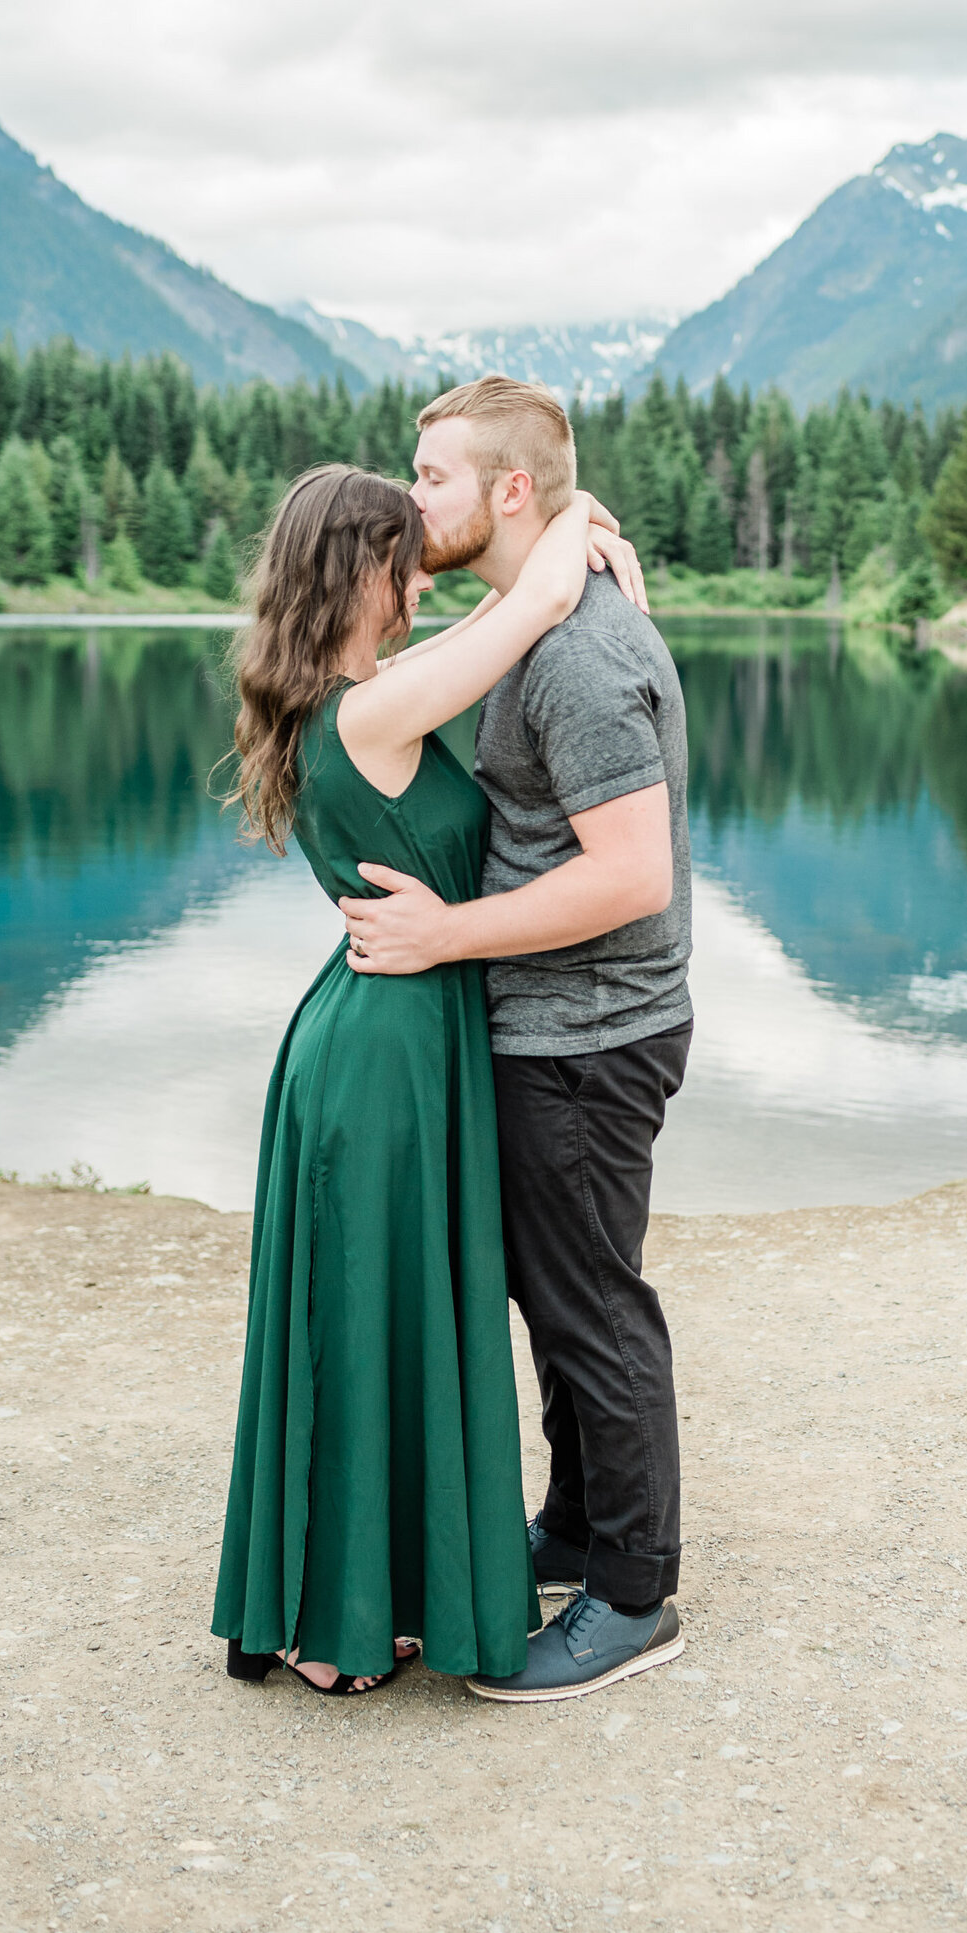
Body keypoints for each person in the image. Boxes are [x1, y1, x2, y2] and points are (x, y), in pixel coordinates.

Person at [211, 460, 642, 1694]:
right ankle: (337, 1623)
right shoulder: (370, 714)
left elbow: (508, 618)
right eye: (402, 563)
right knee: (365, 1322)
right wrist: (573, 524)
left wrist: (580, 524)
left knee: (377, 1316)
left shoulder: (357, 696)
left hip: (389, 1037)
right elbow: (532, 608)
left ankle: (367, 1593)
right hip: (387, 1057)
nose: (416, 588)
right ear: (361, 573)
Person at [339, 376, 693, 1702]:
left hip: (593, 1033)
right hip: (553, 1025)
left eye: (429, 474)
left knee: (596, 1304)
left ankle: (635, 1590)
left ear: (510, 491)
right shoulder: (522, 618)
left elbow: (631, 875)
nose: (406, 494)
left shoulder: (579, 653)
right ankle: (581, 1521)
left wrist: (448, 934)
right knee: (554, 1291)